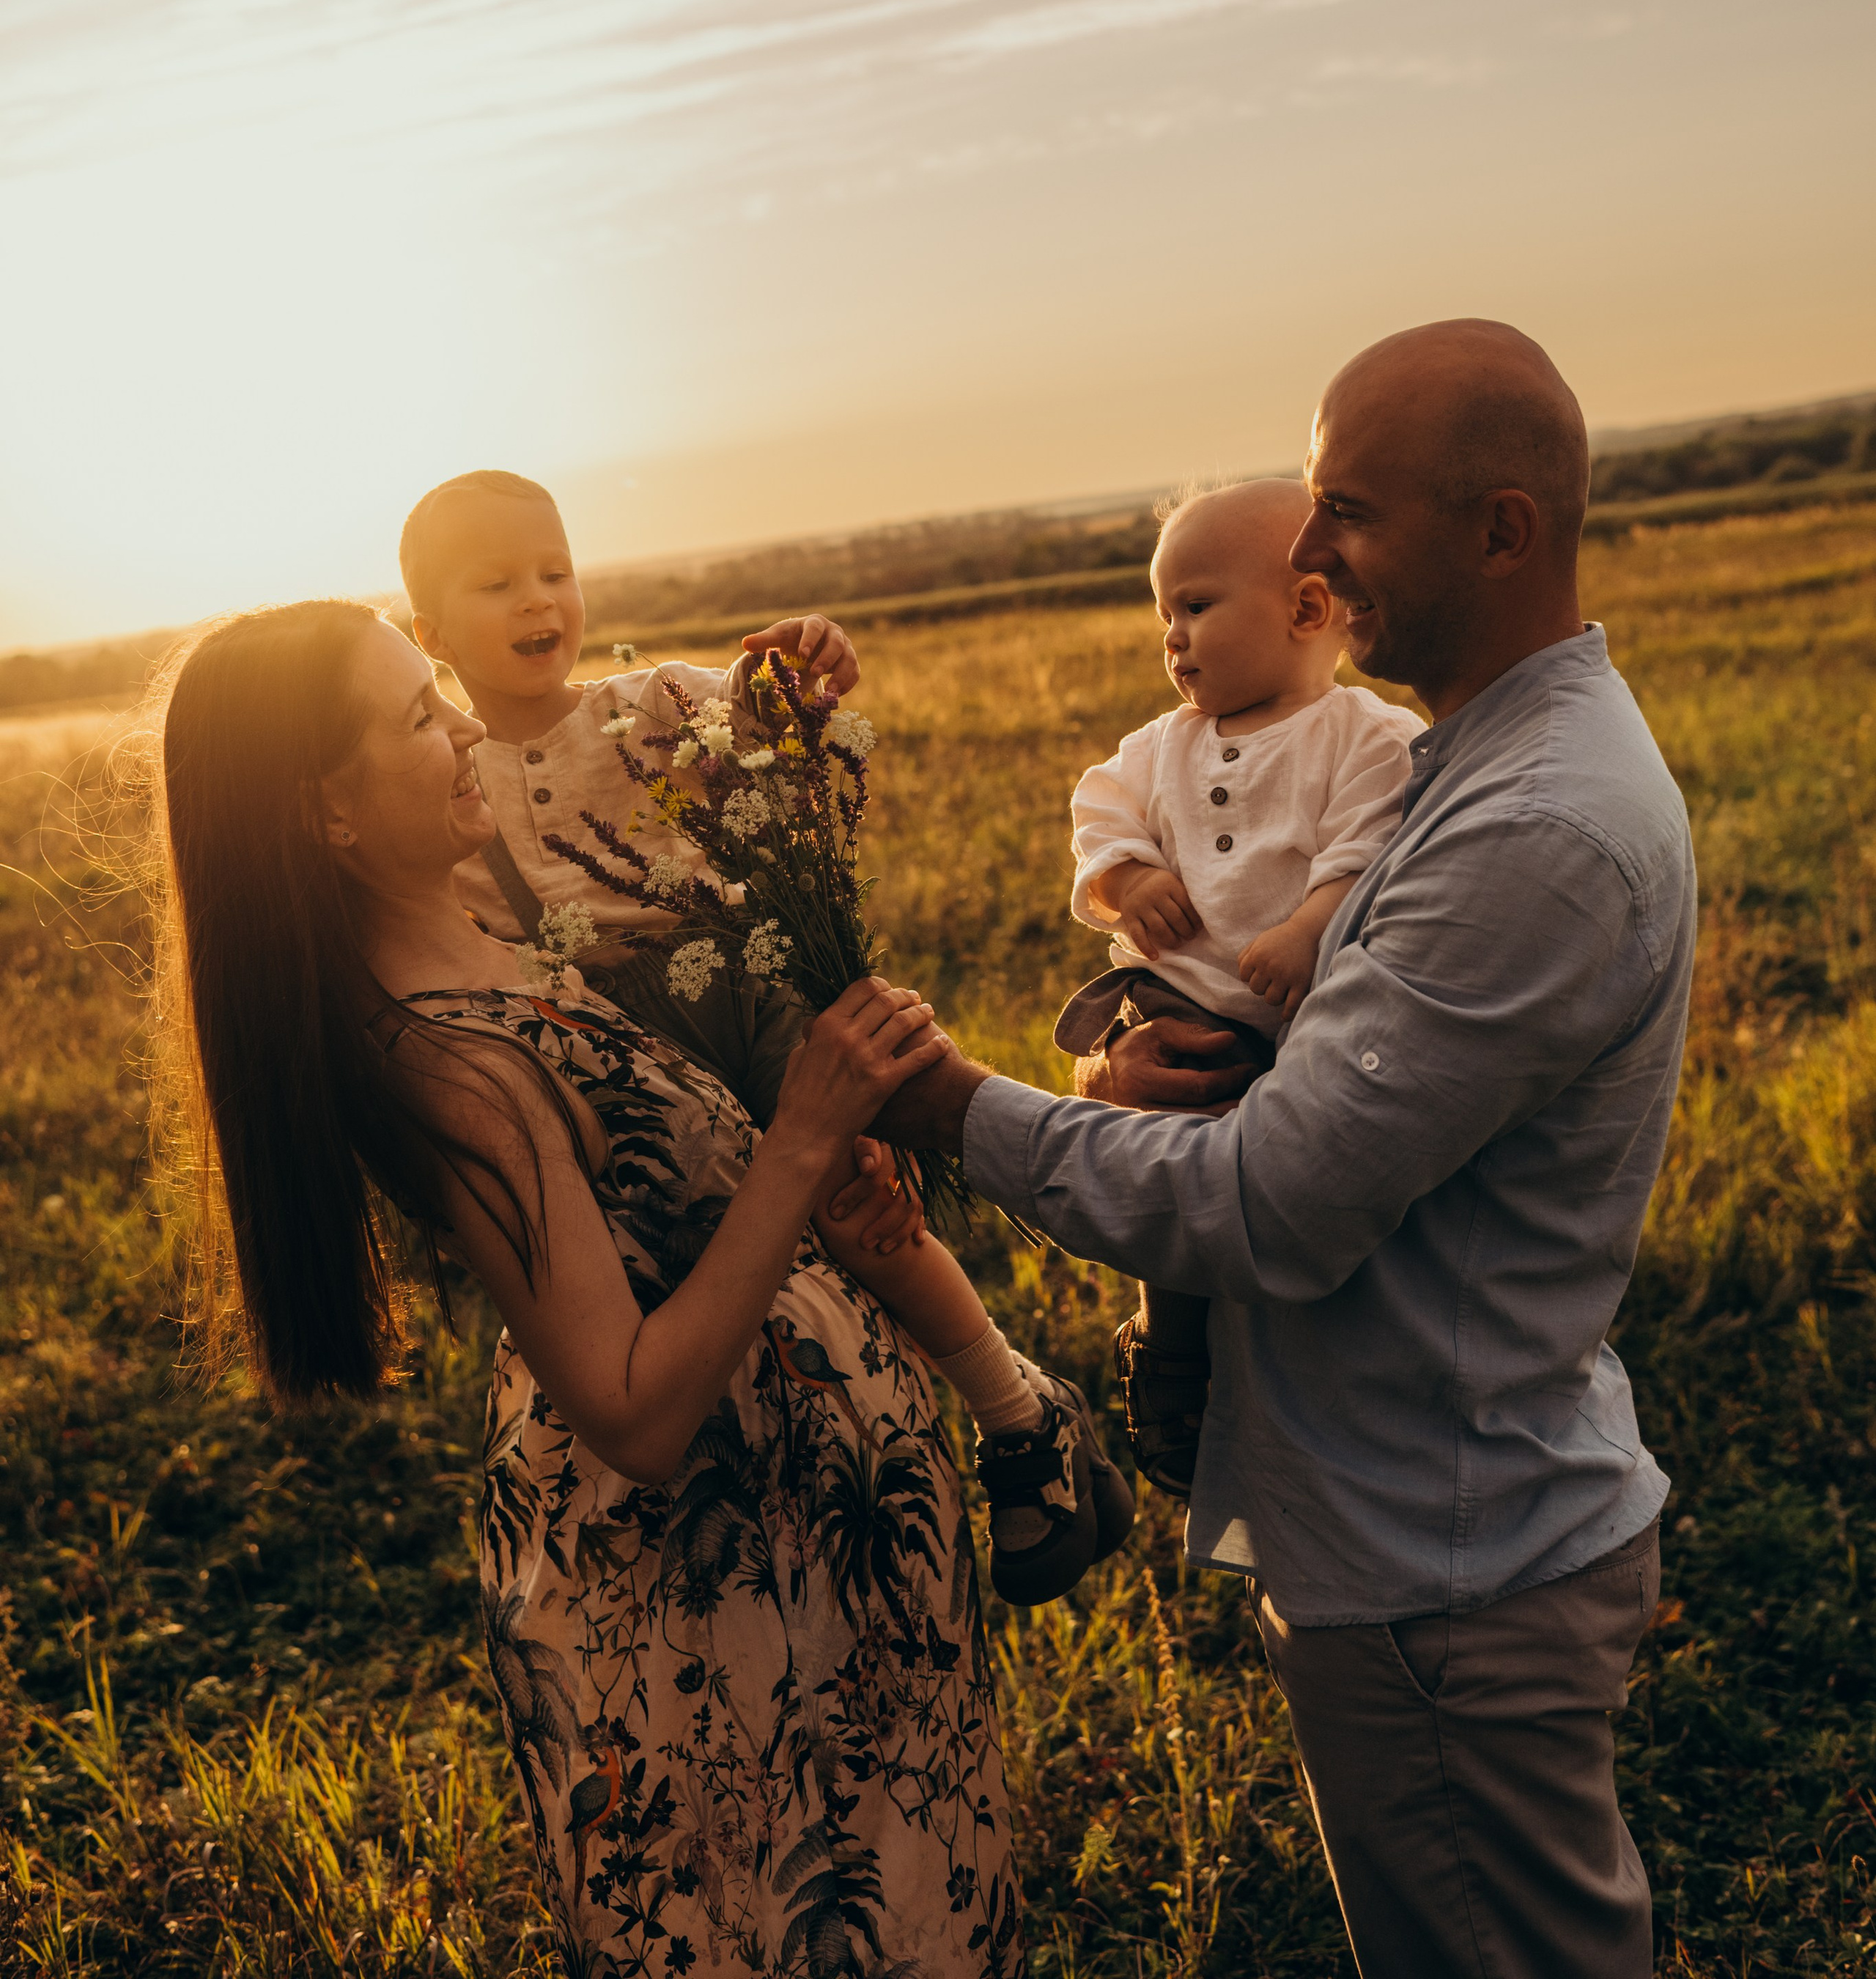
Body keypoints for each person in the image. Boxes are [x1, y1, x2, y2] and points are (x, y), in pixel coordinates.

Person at [879, 321, 1696, 1979]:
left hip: (1438, 1572)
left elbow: (1265, 1208)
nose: (1310, 556)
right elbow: (1303, 1082)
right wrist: (1123, 1071)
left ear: (1500, 531)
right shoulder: (1465, 771)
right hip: (1411, 1524)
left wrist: (941, 1102)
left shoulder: (1526, 828)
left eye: (1349, 510)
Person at [152, 597, 1031, 1975]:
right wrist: (796, 1139)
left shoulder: (504, 949)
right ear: (322, 815)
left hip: (814, 1593)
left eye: (437, 692)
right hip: (718, 1633)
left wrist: (803, 1192)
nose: (458, 731)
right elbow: (628, 1409)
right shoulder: (452, 1063)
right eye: (412, 716)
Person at [398, 467, 1132, 1602]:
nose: (541, 598)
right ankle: (775, 1480)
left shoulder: (643, 707)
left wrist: (806, 663)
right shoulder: (448, 777)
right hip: (609, 1046)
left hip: (739, 990)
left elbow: (772, 715)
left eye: (556, 571)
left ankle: (1018, 1410)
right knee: (699, 1260)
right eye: (498, 583)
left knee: (851, 1200)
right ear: (429, 632)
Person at [1055, 478, 1414, 1494]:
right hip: (1175, 1003)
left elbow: (1368, 841)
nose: (1172, 637)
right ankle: (1168, 1347)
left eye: (1197, 606)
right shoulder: (1160, 745)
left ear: (1307, 608)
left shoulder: (1363, 737)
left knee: (1277, 1198)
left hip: (1300, 1017)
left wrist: (1310, 923)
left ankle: (1293, 1383)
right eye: (1163, 613)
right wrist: (1130, 878)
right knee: (1170, 1176)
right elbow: (1102, 807)